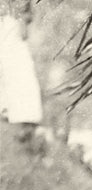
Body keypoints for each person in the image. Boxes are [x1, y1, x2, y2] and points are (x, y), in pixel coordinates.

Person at [0, 0, 43, 142]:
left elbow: (26, 20)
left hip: (13, 34)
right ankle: (9, 111)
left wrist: (20, 17)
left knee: (21, 73)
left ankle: (24, 118)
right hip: (8, 30)